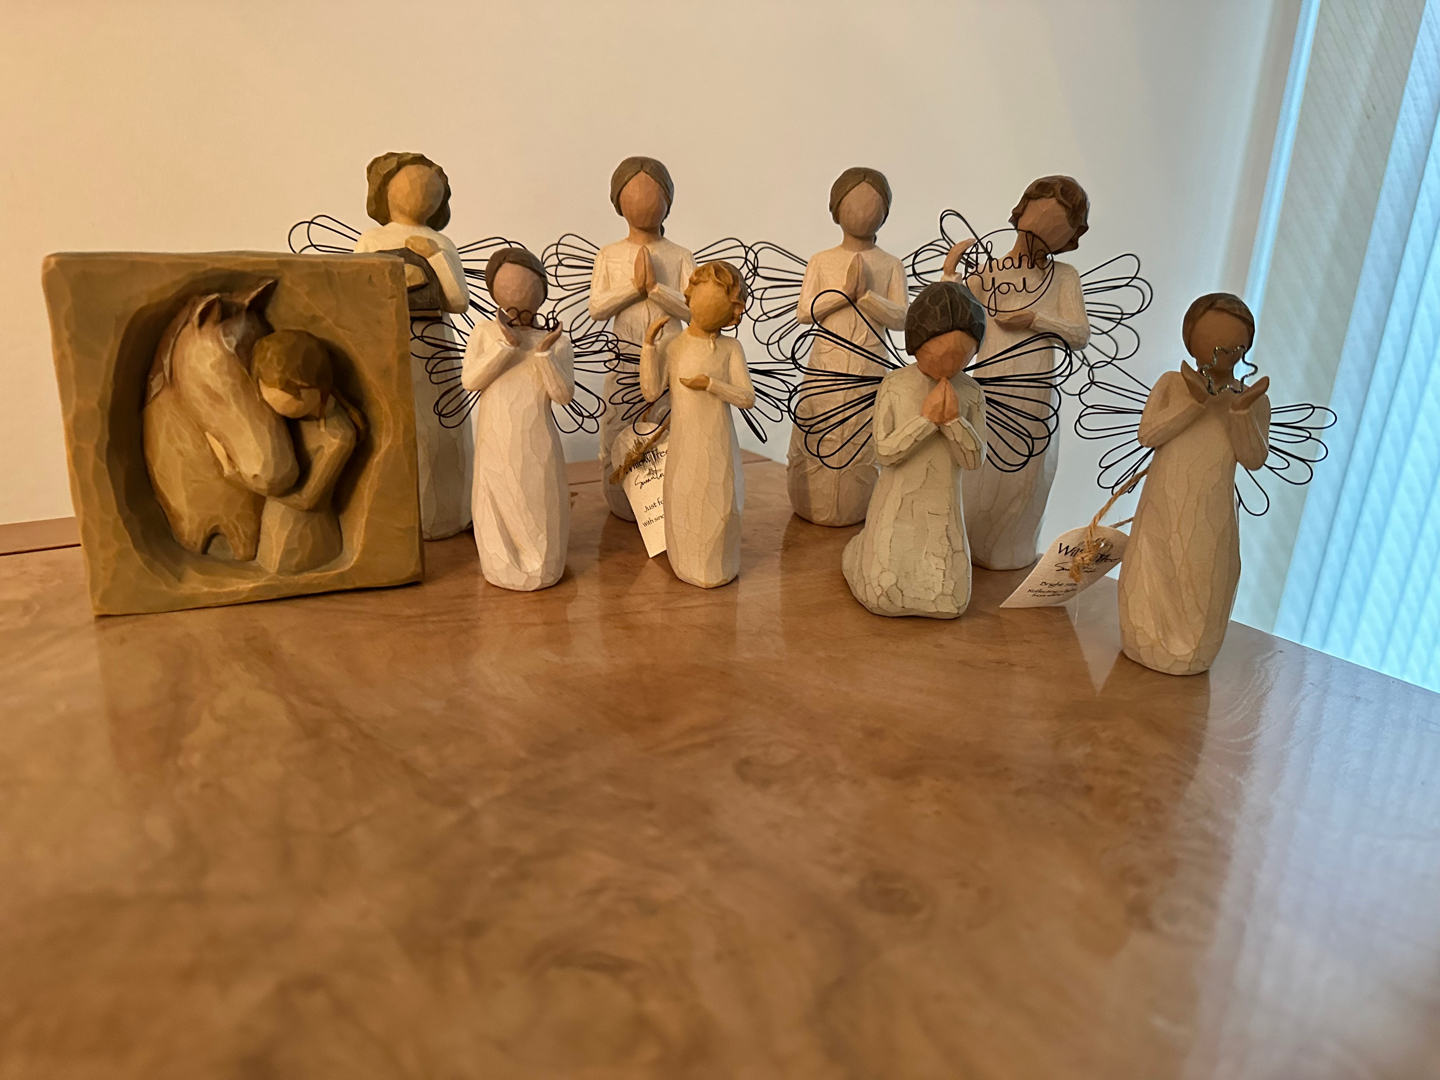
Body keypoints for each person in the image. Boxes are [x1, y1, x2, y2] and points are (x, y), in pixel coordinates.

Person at [1117, 292, 1271, 675]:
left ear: (1245, 346)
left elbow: (1253, 457)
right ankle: (1143, 636)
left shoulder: (1251, 400)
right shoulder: (1173, 384)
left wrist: (1239, 413)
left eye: (1233, 345)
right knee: (1153, 566)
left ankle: (1193, 649)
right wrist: (1194, 402)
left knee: (1204, 573)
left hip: (1213, 510)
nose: (1222, 352)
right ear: (1191, 340)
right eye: (1212, 341)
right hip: (1162, 504)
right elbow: (1149, 434)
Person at [943, 175, 1091, 569]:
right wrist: (950, 275)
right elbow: (953, 322)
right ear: (1021, 212)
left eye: (1058, 229)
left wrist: (1036, 319)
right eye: (1039, 220)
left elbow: (1079, 333)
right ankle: (965, 542)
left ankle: (1011, 548)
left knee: (1026, 477)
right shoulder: (988, 274)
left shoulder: (1064, 277)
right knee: (979, 468)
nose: (1043, 235)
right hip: (989, 389)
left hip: (1037, 397)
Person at [843, 280, 988, 618]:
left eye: (961, 357)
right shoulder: (895, 384)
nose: (949, 366)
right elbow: (885, 452)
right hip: (897, 504)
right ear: (916, 343)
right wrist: (926, 421)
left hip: (943, 507)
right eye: (940, 355)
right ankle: (865, 557)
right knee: (882, 591)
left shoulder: (971, 392)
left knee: (950, 598)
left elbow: (974, 459)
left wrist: (953, 422)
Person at [355, 151, 473, 540]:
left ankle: (452, 512)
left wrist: (435, 257)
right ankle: (401, 519)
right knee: (398, 430)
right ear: (383, 190)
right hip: (391, 344)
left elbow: (457, 300)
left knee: (442, 431)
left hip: (437, 346)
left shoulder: (441, 241)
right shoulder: (371, 240)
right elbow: (357, 295)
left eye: (431, 184)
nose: (421, 189)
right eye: (409, 181)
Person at [789, 166, 909, 527]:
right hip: (825, 365)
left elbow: (901, 318)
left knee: (862, 432)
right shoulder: (821, 261)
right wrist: (843, 294)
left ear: (886, 212)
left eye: (872, 204)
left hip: (870, 366)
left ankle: (858, 503)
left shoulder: (890, 265)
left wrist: (867, 296)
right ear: (836, 209)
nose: (862, 211)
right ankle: (810, 498)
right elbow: (805, 311)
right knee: (819, 426)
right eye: (853, 203)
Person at [589, 156, 697, 522]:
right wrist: (633, 288)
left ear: (668, 199)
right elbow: (598, 308)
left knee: (669, 429)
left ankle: (665, 500)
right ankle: (622, 497)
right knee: (620, 424)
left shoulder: (680, 256)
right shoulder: (609, 255)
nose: (643, 202)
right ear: (617, 202)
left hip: (670, 361)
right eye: (633, 194)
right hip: (624, 361)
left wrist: (656, 289)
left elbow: (694, 311)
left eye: (652, 193)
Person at [461, 247, 574, 592]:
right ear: (493, 291)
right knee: (497, 501)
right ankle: (501, 564)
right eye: (507, 286)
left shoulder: (555, 342)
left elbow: (562, 395)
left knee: (540, 502)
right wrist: (506, 346)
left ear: (541, 290)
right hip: (495, 441)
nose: (517, 293)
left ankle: (545, 563)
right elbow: (471, 380)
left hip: (538, 442)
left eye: (525, 285)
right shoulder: (485, 333)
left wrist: (543, 355)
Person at [640, 262, 755, 588]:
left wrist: (712, 384)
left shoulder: (731, 348)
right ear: (690, 297)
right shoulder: (675, 345)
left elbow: (747, 397)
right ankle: (686, 562)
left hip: (720, 447)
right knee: (685, 501)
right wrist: (648, 346)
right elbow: (651, 390)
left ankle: (721, 564)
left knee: (723, 504)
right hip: (684, 449)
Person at [252, 330, 363, 574]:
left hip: (307, 534)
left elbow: (308, 500)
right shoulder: (289, 418)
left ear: (315, 389)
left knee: (288, 570)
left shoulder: (338, 436)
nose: (277, 408)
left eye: (288, 400)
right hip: (274, 523)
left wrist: (251, 481)